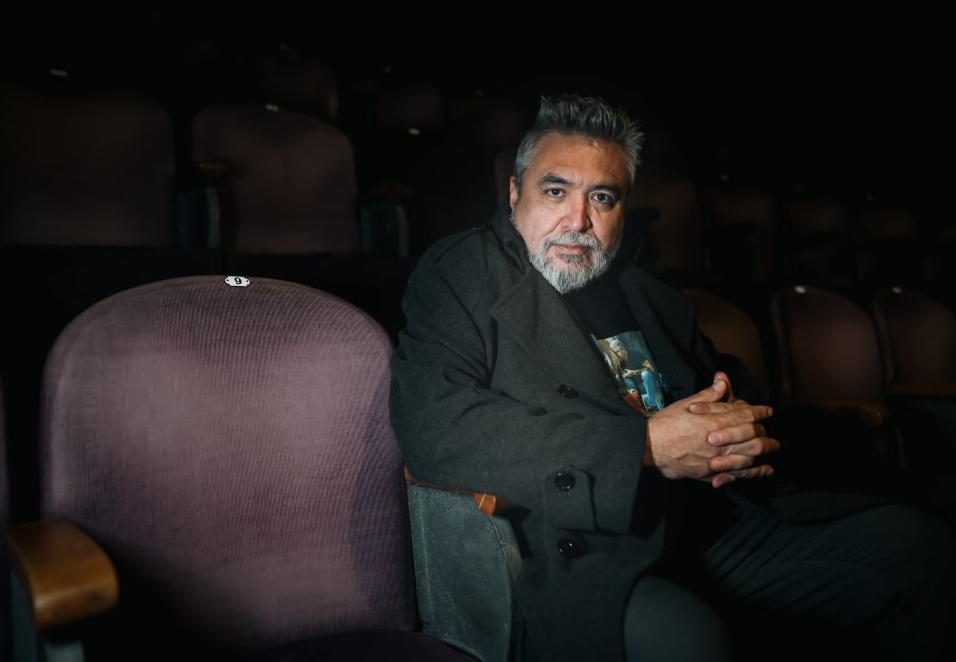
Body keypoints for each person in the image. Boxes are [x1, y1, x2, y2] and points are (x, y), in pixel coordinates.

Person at [389, 93, 954, 661]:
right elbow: (437, 428)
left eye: (602, 198)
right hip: (589, 544)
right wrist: (646, 446)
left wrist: (738, 433)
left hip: (713, 518)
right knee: (689, 639)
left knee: (919, 548)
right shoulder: (460, 274)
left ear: (623, 208)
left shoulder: (648, 290)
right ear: (515, 193)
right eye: (556, 191)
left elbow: (727, 387)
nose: (578, 220)